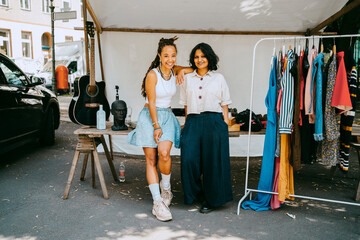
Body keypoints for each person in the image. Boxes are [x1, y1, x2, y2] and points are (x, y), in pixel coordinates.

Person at [127, 37, 192, 221]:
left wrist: (182, 72)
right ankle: (157, 202)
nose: (170, 59)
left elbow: (194, 69)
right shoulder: (152, 75)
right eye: (166, 56)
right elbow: (153, 102)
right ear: (159, 56)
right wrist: (156, 126)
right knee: (151, 159)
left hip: (168, 116)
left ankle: (166, 189)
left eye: (173, 55)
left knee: (164, 153)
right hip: (150, 116)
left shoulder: (174, 70)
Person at [179, 42, 233, 213]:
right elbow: (186, 105)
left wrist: (224, 124)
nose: (200, 59)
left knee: (213, 162)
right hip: (193, 121)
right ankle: (197, 194)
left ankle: (213, 199)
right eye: (196, 57)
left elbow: (225, 104)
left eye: (203, 56)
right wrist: (187, 124)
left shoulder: (219, 78)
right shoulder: (187, 79)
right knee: (189, 160)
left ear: (209, 58)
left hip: (214, 121)